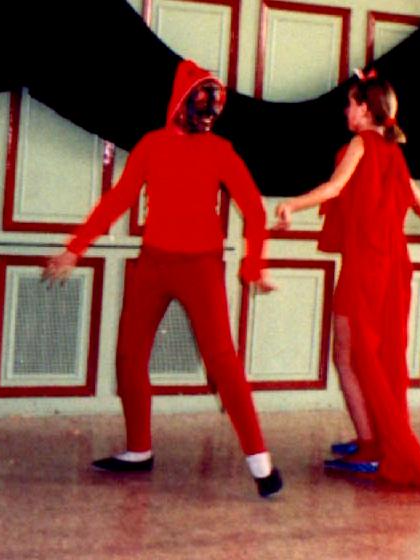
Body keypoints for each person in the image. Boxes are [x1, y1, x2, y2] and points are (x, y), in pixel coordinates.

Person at [43, 60, 282, 498]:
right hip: (153, 264)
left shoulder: (220, 150)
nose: (208, 113)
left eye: (213, 106)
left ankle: (261, 463)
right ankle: (138, 450)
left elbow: (253, 208)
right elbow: (119, 199)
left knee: (223, 362)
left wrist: (254, 264)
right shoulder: (152, 145)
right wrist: (76, 247)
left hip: (201, 267)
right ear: (181, 102)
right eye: (201, 103)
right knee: (129, 355)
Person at [274, 70, 420, 497]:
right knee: (369, 354)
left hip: (367, 265)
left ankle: (371, 444)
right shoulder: (393, 151)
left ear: (364, 109)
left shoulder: (362, 144)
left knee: (349, 354)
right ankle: (371, 436)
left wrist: (292, 205)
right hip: (391, 265)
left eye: (350, 104)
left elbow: (335, 188)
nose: (345, 110)